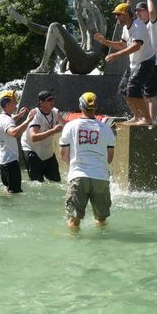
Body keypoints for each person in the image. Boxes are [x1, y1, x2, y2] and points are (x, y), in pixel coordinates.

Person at [59, 92, 116, 230]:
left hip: (78, 175)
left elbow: (63, 155)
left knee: (73, 221)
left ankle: (75, 249)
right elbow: (109, 158)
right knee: (101, 220)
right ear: (95, 107)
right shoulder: (106, 129)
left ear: (80, 106)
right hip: (100, 177)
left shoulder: (70, 126)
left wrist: (74, 165)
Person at [93, 0, 155, 125]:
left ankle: (147, 119)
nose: (116, 17)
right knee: (123, 89)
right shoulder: (126, 28)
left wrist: (116, 55)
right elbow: (122, 44)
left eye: (118, 14)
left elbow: (136, 46)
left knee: (133, 89)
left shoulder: (138, 26)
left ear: (127, 14)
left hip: (146, 62)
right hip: (135, 63)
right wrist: (105, 42)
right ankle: (136, 117)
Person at [0, 90, 36, 194]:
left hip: (1, 160)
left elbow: (6, 123)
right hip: (10, 161)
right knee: (15, 193)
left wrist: (19, 115)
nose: (16, 104)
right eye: (14, 102)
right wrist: (28, 120)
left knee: (8, 189)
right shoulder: (7, 120)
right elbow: (14, 133)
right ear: (8, 104)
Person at [21, 90, 64, 183]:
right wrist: (53, 130)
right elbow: (34, 137)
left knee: (56, 181)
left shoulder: (55, 112)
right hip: (32, 149)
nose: (52, 102)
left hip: (46, 150)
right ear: (41, 102)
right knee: (37, 183)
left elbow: (66, 125)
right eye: (49, 100)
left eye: (53, 99)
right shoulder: (35, 114)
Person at [134, 0, 157, 121]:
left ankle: (151, 120)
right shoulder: (139, 27)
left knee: (150, 95)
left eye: (141, 10)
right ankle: (146, 119)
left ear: (146, 12)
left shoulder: (153, 25)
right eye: (136, 11)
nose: (138, 13)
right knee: (141, 94)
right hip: (142, 64)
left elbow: (152, 13)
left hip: (154, 63)